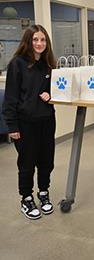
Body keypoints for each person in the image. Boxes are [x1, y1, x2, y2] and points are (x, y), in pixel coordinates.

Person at [2, 25, 57, 220]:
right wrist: (12, 126)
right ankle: (26, 198)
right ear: (28, 41)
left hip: (47, 121)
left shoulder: (49, 65)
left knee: (46, 161)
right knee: (27, 163)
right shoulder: (17, 64)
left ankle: (43, 193)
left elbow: (57, 91)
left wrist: (52, 96)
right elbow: (10, 99)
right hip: (25, 124)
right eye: (35, 40)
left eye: (43, 40)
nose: (39, 44)